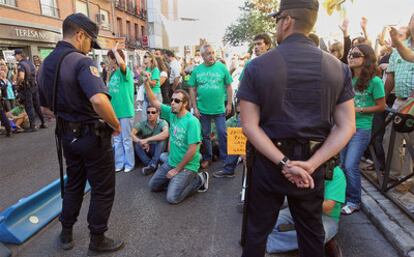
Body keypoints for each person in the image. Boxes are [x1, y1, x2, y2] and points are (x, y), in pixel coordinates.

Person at [237, 0, 356, 256]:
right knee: (311, 233)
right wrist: (312, 164)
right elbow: (347, 126)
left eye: (277, 19)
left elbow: (248, 125)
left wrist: (283, 163)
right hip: (311, 164)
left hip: (269, 162)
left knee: (257, 232)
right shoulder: (339, 68)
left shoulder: (256, 66)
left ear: (287, 21)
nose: (276, 26)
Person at [37, 13, 124, 254]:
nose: (89, 48)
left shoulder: (46, 63)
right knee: (102, 187)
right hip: (92, 136)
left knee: (74, 183)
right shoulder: (81, 62)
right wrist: (115, 124)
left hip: (66, 135)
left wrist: (66, 115)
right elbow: (98, 100)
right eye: (89, 41)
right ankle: (97, 238)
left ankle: (66, 233)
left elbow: (44, 107)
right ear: (80, 35)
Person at [143, 77, 209, 204]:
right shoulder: (172, 114)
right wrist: (146, 83)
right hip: (171, 161)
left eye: (177, 101)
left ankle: (199, 180)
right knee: (153, 186)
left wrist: (177, 170)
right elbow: (154, 101)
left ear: (184, 104)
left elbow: (192, 150)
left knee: (172, 198)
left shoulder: (192, 121)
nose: (172, 102)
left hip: (187, 166)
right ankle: (175, 181)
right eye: (172, 100)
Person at [340, 44, 386, 215]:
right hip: (343, 126)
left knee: (351, 165)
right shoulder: (347, 78)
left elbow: (382, 106)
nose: (351, 57)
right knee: (343, 164)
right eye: (350, 54)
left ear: (366, 58)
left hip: (361, 128)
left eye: (356, 54)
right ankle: (343, 197)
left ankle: (354, 201)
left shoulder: (375, 81)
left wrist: (358, 110)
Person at [266, 166, 346, 256]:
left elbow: (328, 207)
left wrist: (301, 197)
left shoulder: (336, 173)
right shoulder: (303, 166)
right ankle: (275, 240)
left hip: (326, 217)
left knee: (316, 235)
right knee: (268, 222)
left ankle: (268, 242)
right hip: (299, 208)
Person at [188, 44, 233, 169]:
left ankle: (224, 157)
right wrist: (195, 107)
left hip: (219, 109)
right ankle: (208, 157)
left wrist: (229, 103)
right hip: (203, 109)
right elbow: (192, 88)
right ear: (202, 56)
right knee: (205, 135)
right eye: (208, 53)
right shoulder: (197, 70)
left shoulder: (221, 67)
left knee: (222, 133)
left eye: (213, 53)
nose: (212, 55)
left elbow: (229, 86)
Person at [383, 13, 414, 192]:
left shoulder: (402, 49)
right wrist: (383, 99)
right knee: (390, 139)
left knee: (411, 142)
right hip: (399, 102)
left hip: (413, 104)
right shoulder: (397, 51)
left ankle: (406, 179)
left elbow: (409, 55)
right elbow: (390, 78)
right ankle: (393, 174)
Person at [107, 45, 135, 173]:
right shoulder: (112, 73)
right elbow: (107, 89)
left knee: (126, 139)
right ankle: (119, 163)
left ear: (114, 59)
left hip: (125, 111)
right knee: (117, 140)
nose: (108, 61)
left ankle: (130, 163)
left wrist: (114, 51)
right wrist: (108, 71)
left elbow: (122, 64)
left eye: (109, 59)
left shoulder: (125, 72)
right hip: (114, 112)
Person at [14, 49, 47, 132]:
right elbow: (35, 73)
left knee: (29, 106)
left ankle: (33, 126)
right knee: (37, 105)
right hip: (34, 86)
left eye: (15, 55)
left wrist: (17, 84)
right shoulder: (30, 63)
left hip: (27, 88)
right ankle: (43, 122)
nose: (15, 57)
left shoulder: (21, 64)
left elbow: (21, 77)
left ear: (20, 55)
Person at [131, 105, 169, 175]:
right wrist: (141, 141)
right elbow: (131, 134)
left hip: (159, 149)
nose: (150, 114)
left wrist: (147, 140)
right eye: (148, 112)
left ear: (158, 114)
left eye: (153, 112)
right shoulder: (141, 124)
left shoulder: (162, 122)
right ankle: (153, 165)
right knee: (137, 144)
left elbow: (166, 133)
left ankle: (152, 165)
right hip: (147, 149)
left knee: (162, 140)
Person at [142, 51, 162, 120]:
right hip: (146, 94)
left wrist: (148, 79)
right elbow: (140, 82)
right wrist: (142, 71)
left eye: (145, 57)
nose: (144, 58)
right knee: (144, 116)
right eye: (143, 57)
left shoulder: (155, 69)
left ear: (150, 58)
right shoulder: (146, 69)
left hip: (154, 94)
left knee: (155, 116)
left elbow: (154, 83)